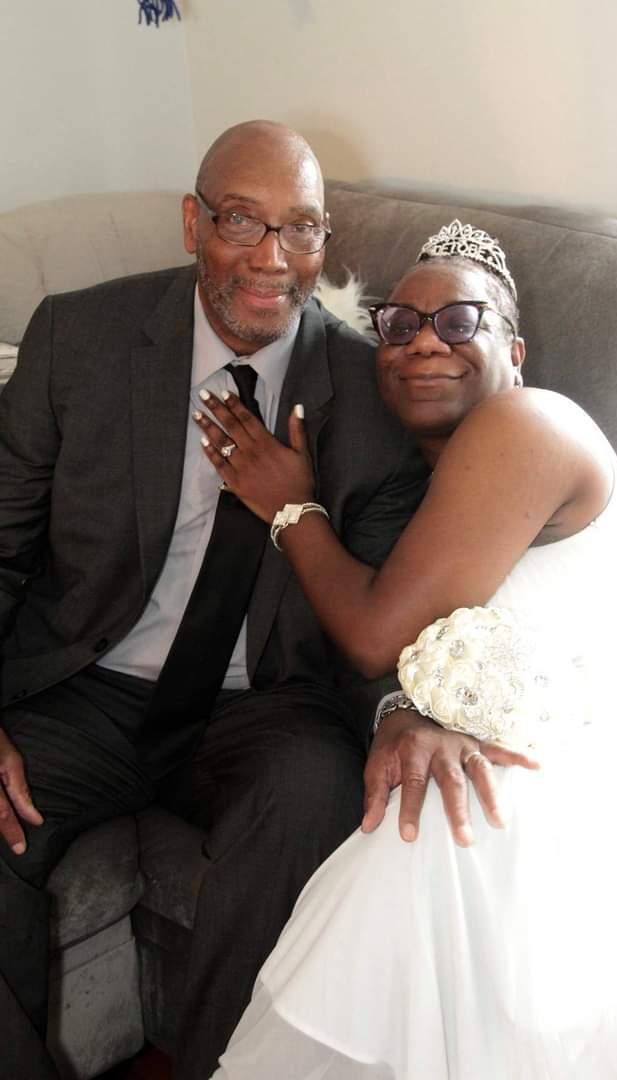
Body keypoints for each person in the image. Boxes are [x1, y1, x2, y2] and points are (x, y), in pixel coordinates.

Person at [194, 220, 617, 1079]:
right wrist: (410, 712)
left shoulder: (528, 422)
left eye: (459, 322)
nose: (422, 344)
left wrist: (292, 509)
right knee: (429, 810)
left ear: (515, 350)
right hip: (565, 757)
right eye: (398, 324)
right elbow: (413, 647)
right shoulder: (417, 486)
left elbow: (372, 636)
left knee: (424, 833)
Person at [0, 119, 450, 1080]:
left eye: (304, 229)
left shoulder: (369, 398)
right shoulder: (75, 338)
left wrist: (402, 711)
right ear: (191, 222)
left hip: (264, 704)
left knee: (315, 790)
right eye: (243, 221)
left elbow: (380, 610)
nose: (273, 259)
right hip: (90, 684)